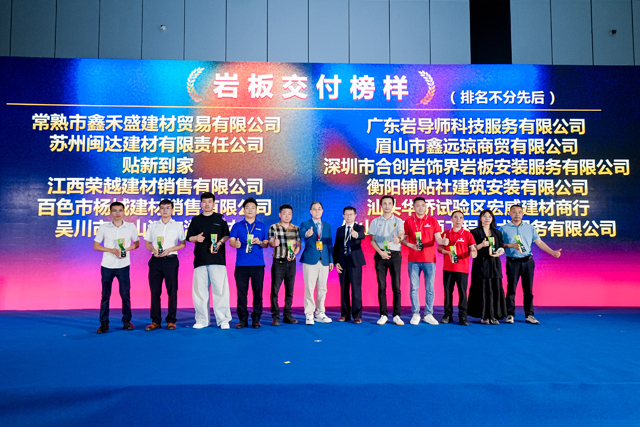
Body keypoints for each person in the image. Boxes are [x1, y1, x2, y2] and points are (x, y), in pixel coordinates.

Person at [500, 204, 562, 325]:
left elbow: (539, 242)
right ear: (509, 213)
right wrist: (511, 246)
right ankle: (510, 314)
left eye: (519, 212)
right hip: (512, 261)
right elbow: (499, 244)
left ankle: (529, 315)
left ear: (523, 214)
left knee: (528, 290)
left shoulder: (530, 228)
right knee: (511, 289)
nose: (517, 214)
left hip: (527, 261)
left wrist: (552, 252)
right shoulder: (504, 228)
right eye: (514, 212)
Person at [186, 192, 232, 330]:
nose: (207, 204)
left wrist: (220, 243)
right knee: (200, 292)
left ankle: (223, 320)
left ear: (213, 203)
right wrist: (196, 238)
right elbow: (189, 237)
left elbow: (226, 235)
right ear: (201, 204)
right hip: (200, 259)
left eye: (209, 202)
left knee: (220, 291)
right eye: (204, 202)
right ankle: (202, 320)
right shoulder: (196, 220)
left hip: (217, 259)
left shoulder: (220, 218)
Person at [93, 201, 140, 334]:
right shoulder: (104, 227)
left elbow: (137, 244)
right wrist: (111, 250)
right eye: (114, 210)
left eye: (120, 210)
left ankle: (127, 321)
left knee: (125, 294)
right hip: (107, 265)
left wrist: (126, 249)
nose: (117, 213)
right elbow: (96, 246)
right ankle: (104, 323)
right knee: (105, 295)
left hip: (123, 265)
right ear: (110, 212)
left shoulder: (130, 227)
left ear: (124, 212)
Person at [401, 196, 448, 326]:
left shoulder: (433, 221)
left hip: (429, 260)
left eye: (423, 205)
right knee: (414, 288)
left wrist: (443, 241)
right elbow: (403, 239)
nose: (420, 208)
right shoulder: (408, 222)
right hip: (413, 260)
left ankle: (428, 314)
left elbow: (438, 239)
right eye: (418, 205)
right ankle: (415, 314)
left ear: (426, 207)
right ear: (413, 207)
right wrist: (411, 246)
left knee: (430, 288)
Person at [143, 199, 186, 331]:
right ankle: (155, 321)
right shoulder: (153, 225)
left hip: (171, 260)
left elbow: (182, 244)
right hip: (155, 261)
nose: (165, 210)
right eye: (162, 208)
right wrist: (153, 250)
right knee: (155, 292)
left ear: (172, 210)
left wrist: (169, 250)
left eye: (168, 208)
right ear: (159, 210)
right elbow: (147, 243)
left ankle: (171, 320)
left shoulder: (178, 225)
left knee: (172, 291)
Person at [229, 198, 270, 329]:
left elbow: (266, 244)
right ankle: (242, 319)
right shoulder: (237, 226)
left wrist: (260, 242)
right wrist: (235, 244)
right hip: (241, 265)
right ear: (243, 210)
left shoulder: (262, 226)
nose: (250, 210)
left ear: (256, 210)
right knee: (241, 294)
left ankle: (256, 319)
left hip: (258, 265)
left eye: (253, 208)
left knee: (258, 293)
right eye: (247, 207)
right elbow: (231, 240)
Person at [369, 195, 405, 326]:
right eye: (384, 203)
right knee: (381, 287)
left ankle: (396, 315)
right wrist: (381, 252)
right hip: (380, 255)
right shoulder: (375, 221)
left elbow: (401, 234)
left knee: (396, 287)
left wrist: (398, 239)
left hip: (395, 255)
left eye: (389, 203)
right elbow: (372, 241)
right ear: (381, 205)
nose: (387, 206)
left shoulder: (399, 220)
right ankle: (383, 315)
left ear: (393, 205)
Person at [437, 211, 477, 326]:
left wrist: (473, 251)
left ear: (463, 220)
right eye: (455, 217)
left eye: (460, 217)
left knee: (462, 293)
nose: (458, 220)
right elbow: (439, 248)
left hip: (462, 269)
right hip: (448, 268)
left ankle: (463, 316)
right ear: (451, 219)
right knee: (448, 292)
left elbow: (473, 249)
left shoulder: (468, 234)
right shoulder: (445, 233)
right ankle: (447, 315)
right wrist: (447, 252)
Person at [467, 209, 506, 325]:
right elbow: (472, 249)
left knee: (495, 288)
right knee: (482, 289)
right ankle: (483, 316)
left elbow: (501, 246)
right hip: (481, 264)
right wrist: (482, 245)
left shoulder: (497, 233)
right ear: (480, 218)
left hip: (494, 264)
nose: (487, 218)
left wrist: (499, 252)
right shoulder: (474, 232)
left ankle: (494, 315)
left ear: (492, 218)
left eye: (489, 216)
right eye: (484, 216)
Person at [299, 202, 334, 325]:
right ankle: (309, 313)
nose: (317, 211)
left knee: (322, 288)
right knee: (309, 287)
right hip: (310, 260)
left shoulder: (327, 226)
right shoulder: (305, 224)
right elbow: (301, 233)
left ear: (322, 211)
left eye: (319, 209)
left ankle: (320, 313)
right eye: (314, 209)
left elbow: (329, 244)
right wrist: (306, 234)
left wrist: (331, 260)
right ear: (311, 211)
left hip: (324, 260)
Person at [268, 204, 301, 326]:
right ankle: (275, 316)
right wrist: (274, 243)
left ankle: (287, 315)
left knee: (290, 290)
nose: (287, 216)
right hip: (279, 262)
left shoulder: (296, 228)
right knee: (275, 290)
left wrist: (294, 254)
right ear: (280, 214)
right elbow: (270, 242)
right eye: (284, 213)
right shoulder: (274, 227)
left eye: (289, 213)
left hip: (291, 262)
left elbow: (299, 245)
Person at [333, 206, 366, 324]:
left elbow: (361, 235)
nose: (349, 216)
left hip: (355, 262)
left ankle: (357, 316)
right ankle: (345, 315)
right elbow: (336, 248)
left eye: (351, 214)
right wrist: (336, 262)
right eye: (346, 214)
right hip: (342, 262)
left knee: (356, 289)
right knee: (344, 289)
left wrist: (355, 234)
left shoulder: (359, 227)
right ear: (343, 216)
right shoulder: (340, 230)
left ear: (355, 216)